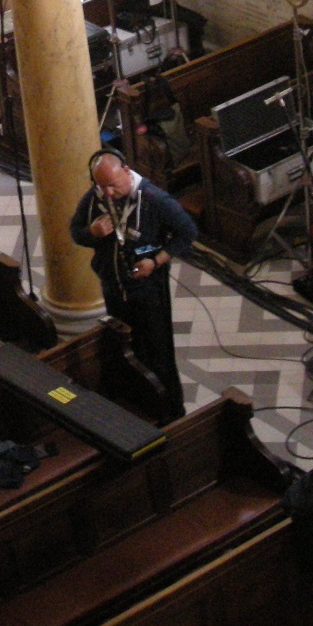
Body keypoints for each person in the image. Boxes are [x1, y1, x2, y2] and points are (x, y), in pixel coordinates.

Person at [69, 149, 197, 422]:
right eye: (100, 186)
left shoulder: (154, 200)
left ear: (127, 172)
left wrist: (156, 260)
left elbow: (188, 233)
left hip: (148, 290)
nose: (107, 193)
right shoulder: (95, 198)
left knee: (155, 351)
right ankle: (132, 401)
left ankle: (169, 412)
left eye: (113, 186)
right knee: (124, 347)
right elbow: (75, 232)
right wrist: (91, 233)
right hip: (113, 284)